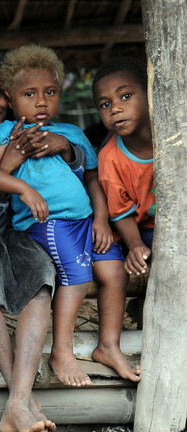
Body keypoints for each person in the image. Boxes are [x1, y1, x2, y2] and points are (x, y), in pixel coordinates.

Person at [0, 45, 136, 387]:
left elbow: (93, 178)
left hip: (86, 222)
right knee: (77, 277)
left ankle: (108, 345)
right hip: (48, 224)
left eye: (50, 92)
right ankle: (61, 351)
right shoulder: (4, 133)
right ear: (10, 97)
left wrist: (101, 219)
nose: (41, 102)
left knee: (114, 272)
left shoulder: (72, 133)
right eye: (29, 94)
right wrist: (24, 189)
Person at [93, 56, 153, 370]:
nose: (115, 107)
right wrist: (135, 246)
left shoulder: (173, 137)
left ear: (151, 92)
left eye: (125, 96)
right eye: (104, 104)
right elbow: (120, 211)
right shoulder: (111, 157)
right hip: (138, 229)